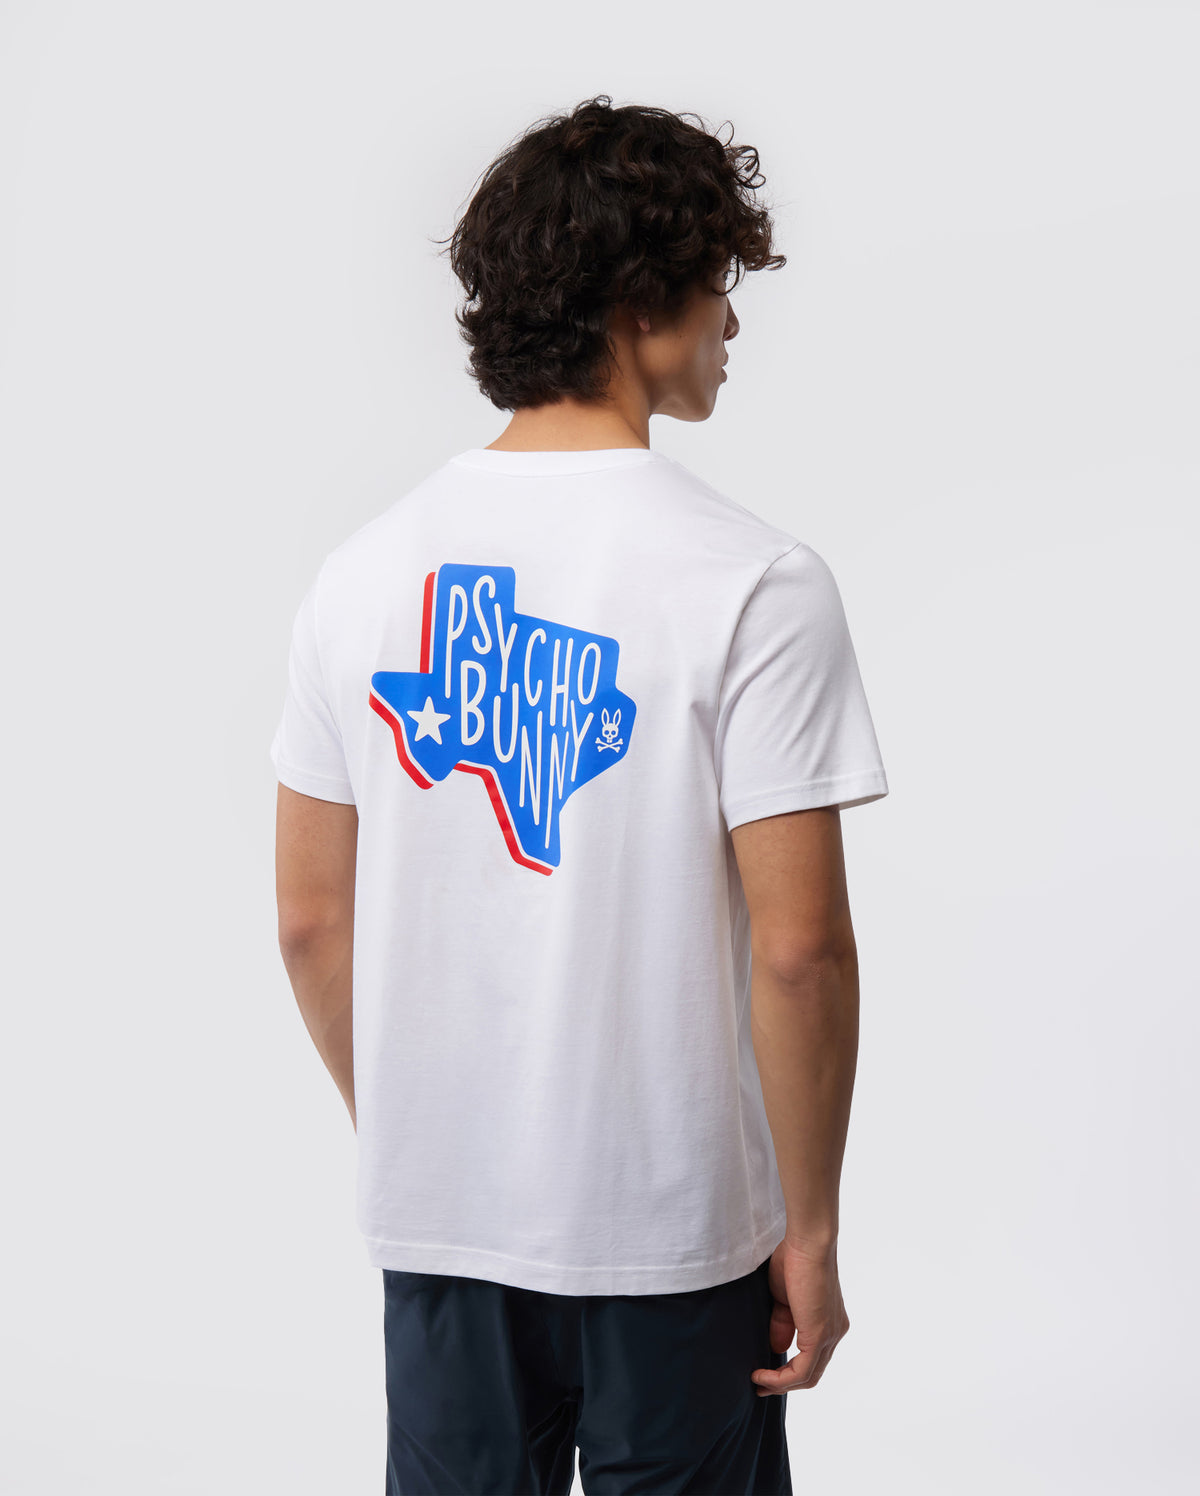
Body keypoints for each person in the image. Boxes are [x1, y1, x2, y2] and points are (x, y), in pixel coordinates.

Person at [271, 93, 889, 1496]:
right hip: (671, 1229)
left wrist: (423, 1126)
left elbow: (309, 923)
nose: (732, 320)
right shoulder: (754, 584)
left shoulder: (358, 576)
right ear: (638, 303)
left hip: (442, 1220)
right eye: (717, 282)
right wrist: (811, 1231)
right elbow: (802, 950)